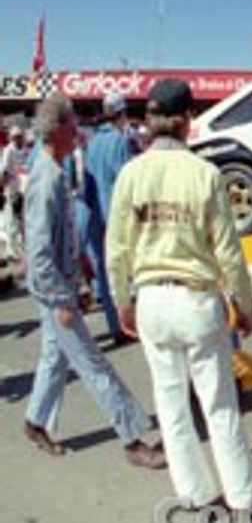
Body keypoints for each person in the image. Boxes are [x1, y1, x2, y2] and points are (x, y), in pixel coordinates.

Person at [107, 79, 252, 511]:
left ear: (149, 121)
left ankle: (196, 495)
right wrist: (244, 304)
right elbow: (228, 252)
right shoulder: (204, 173)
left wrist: (123, 301)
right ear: (186, 122)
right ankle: (244, 496)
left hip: (151, 301)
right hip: (195, 298)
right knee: (218, 404)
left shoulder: (130, 174)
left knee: (171, 404)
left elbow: (116, 248)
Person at [20, 92, 166, 469]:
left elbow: (60, 239)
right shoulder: (46, 177)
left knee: (55, 357)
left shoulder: (54, 169)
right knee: (93, 364)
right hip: (54, 293)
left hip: (59, 288)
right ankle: (133, 437)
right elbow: (38, 250)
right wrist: (62, 299)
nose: (78, 132)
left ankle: (36, 422)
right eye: (72, 125)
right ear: (56, 130)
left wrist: (80, 281)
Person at [82, 91, 138, 344]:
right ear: (121, 114)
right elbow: (126, 180)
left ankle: (116, 326)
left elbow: (87, 187)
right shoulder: (119, 140)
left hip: (97, 216)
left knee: (106, 273)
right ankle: (133, 322)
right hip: (118, 215)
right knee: (130, 270)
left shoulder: (92, 143)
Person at [1, 124, 25, 273]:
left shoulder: (20, 151)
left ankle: (17, 250)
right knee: (11, 222)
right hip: (11, 190)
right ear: (12, 138)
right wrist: (5, 189)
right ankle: (12, 252)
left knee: (18, 221)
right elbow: (3, 171)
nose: (19, 139)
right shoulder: (9, 151)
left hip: (19, 189)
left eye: (20, 136)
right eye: (16, 137)